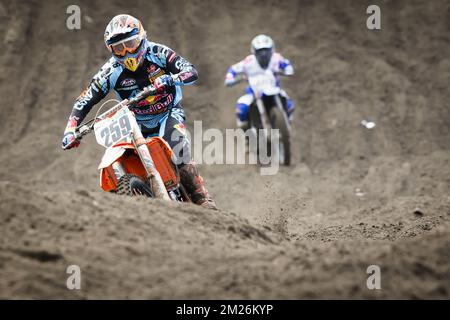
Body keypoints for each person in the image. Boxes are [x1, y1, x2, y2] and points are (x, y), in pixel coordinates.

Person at [61, 14, 216, 210]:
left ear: (142, 38)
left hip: (167, 113)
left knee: (176, 139)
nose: (126, 52)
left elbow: (190, 71)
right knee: (121, 152)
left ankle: (201, 197)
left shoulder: (159, 53)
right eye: (119, 48)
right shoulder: (110, 71)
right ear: (111, 50)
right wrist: (71, 128)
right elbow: (85, 99)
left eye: (131, 44)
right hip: (134, 121)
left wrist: (172, 78)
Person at [224, 34, 294, 129]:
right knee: (242, 108)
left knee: (289, 104)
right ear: (254, 51)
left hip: (274, 90)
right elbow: (233, 69)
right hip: (254, 93)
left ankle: (286, 123)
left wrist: (287, 70)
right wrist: (231, 78)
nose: (264, 54)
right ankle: (246, 130)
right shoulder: (248, 62)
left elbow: (287, 65)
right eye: (260, 51)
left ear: (271, 50)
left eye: (266, 50)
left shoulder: (276, 59)